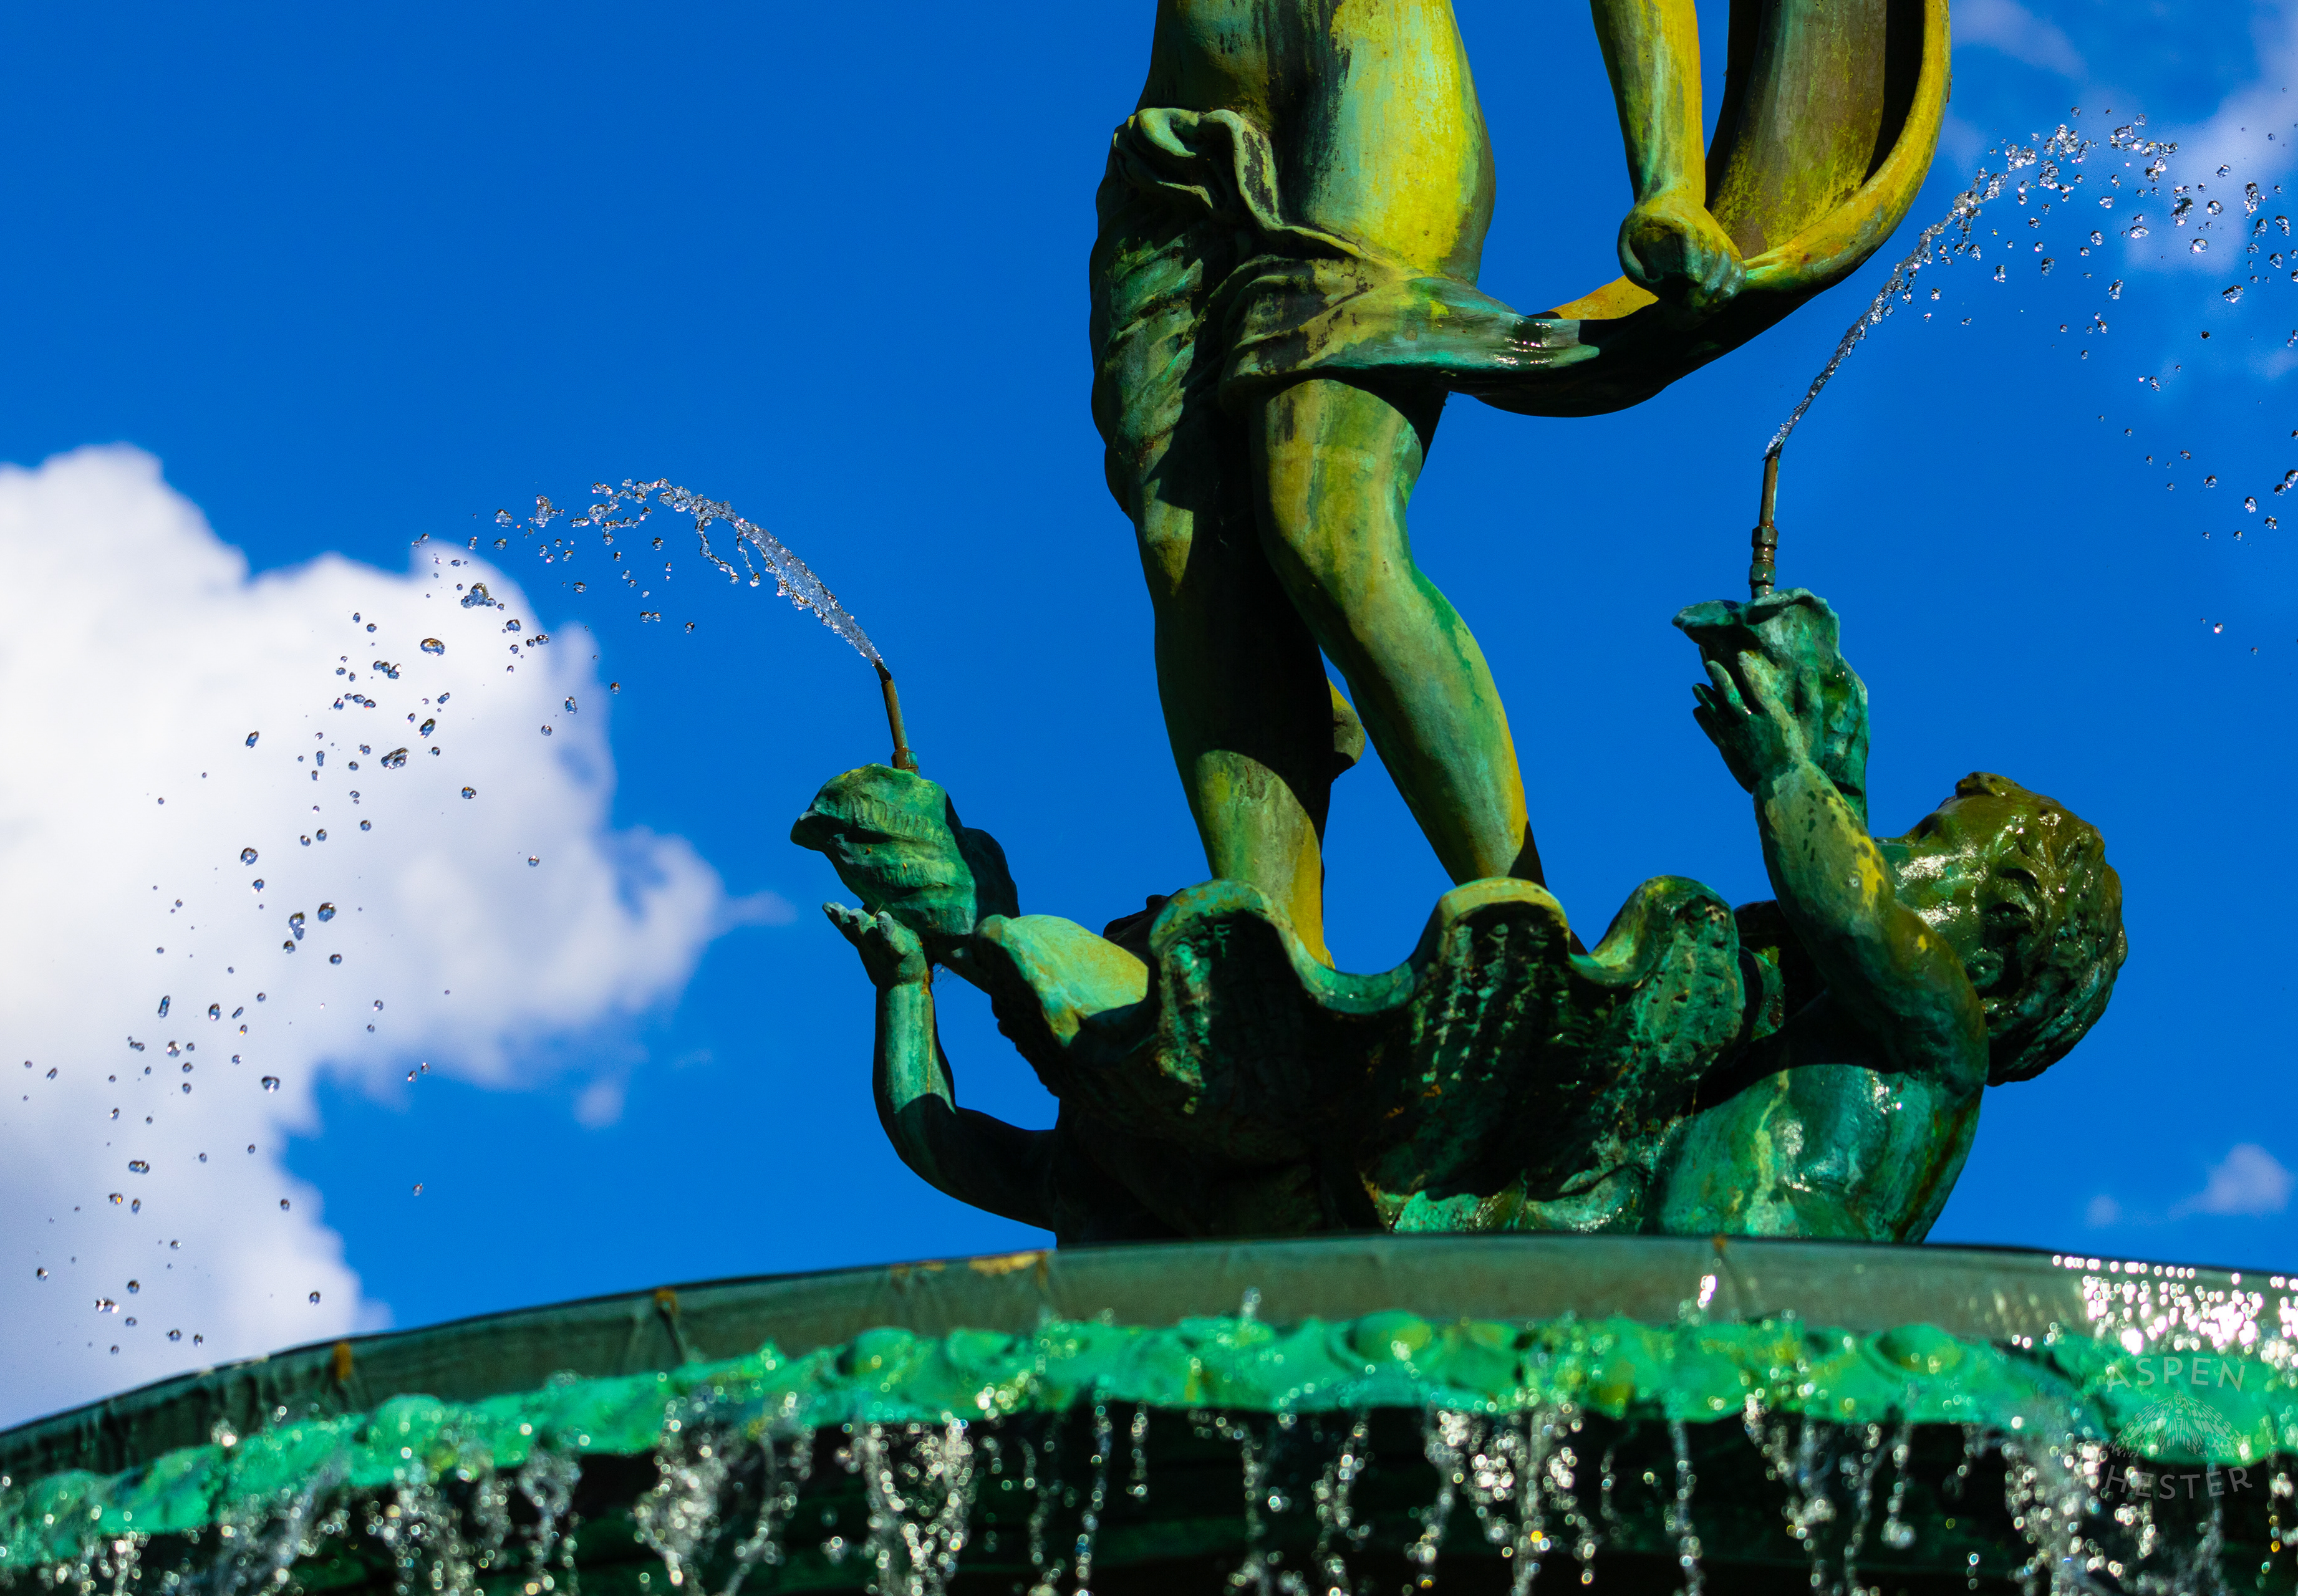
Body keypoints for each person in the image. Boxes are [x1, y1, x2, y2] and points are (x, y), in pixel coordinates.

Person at [797, 590, 2127, 1244]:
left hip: (1742, 1337)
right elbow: (953, 1148)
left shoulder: (1940, 1039)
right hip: (1622, 1279)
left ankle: (983, 921)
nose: (1888, 861)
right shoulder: (1864, 1013)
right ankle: (981, 923)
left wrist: (1790, 768)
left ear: (1999, 939)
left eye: (1927, 855)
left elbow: (1847, 911)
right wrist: (912, 988)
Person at [1095, 0, 1745, 963]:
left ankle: (1527, 936)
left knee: (1322, 520)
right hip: (1176, 146)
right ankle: (1273, 968)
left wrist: (1669, 178)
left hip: (1374, 90)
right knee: (1188, 552)